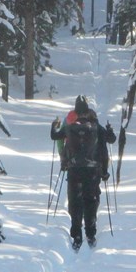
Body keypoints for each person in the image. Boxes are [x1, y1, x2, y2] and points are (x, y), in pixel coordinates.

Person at [50, 95, 116, 250]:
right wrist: (109, 129)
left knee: (75, 201)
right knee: (91, 200)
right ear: (88, 110)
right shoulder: (96, 126)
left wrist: (54, 125)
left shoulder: (69, 126)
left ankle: (76, 234)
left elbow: (54, 136)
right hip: (92, 170)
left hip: (73, 169)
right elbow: (110, 140)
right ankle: (91, 233)